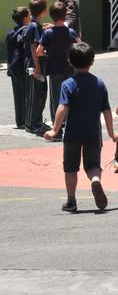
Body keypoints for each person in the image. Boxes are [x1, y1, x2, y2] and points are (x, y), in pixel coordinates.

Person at [44, 42, 115, 212]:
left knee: (70, 167)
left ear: (70, 61)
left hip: (73, 132)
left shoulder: (68, 84)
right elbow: (106, 110)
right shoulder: (99, 84)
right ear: (92, 61)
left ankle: (71, 201)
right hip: (93, 132)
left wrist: (55, 129)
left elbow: (63, 107)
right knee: (93, 165)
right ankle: (95, 181)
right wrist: (112, 133)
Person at [34, 2, 79, 141]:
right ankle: (71, 128)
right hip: (70, 69)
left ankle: (57, 130)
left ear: (51, 16)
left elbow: (38, 52)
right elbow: (80, 46)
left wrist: (49, 53)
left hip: (54, 69)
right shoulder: (71, 32)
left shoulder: (48, 33)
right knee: (71, 98)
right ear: (65, 15)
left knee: (56, 100)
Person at [25, 0, 49, 135]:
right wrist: (37, 66)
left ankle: (37, 121)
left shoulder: (37, 26)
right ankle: (31, 124)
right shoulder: (34, 26)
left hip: (39, 66)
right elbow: (34, 47)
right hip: (33, 67)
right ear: (44, 11)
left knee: (41, 94)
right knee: (34, 95)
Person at [5, 7, 30, 129]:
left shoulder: (11, 33)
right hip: (23, 66)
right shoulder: (26, 31)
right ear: (25, 18)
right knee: (27, 93)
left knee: (18, 94)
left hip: (13, 67)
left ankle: (20, 121)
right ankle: (27, 120)